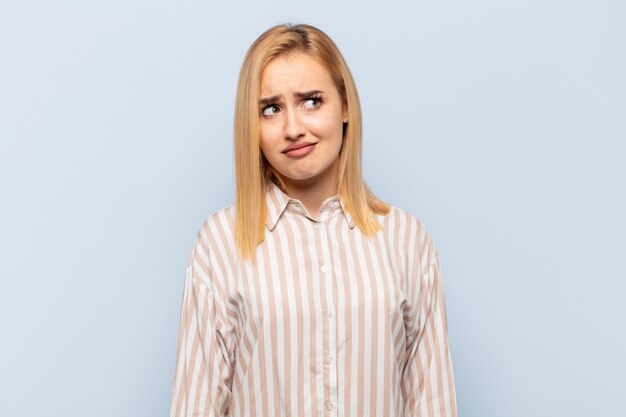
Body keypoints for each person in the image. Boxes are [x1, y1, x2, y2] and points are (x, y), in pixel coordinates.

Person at [168, 22, 457, 417]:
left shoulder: (406, 239)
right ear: (252, 128)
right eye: (271, 109)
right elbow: (195, 405)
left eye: (312, 101)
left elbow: (432, 401)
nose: (293, 128)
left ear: (345, 107)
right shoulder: (220, 242)